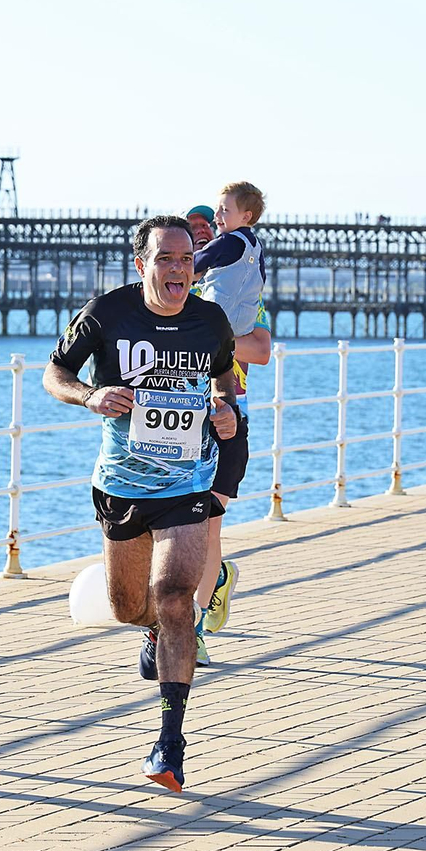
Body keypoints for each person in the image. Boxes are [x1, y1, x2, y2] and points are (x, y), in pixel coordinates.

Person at [43, 214, 239, 792]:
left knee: (175, 597)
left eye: (185, 259)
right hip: (123, 485)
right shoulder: (107, 313)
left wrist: (227, 411)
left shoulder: (209, 320)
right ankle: (150, 632)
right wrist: (90, 394)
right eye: (165, 259)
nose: (178, 268)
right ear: (142, 264)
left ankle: (170, 743)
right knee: (131, 606)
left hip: (188, 482)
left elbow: (226, 381)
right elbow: (54, 374)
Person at [185, 206, 273, 667]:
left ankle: (194, 629)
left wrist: (205, 337)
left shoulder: (239, 289)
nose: (202, 234)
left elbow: (260, 351)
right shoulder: (177, 295)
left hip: (226, 413)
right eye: (194, 229)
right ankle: (212, 581)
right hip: (175, 418)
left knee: (206, 526)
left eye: (208, 228)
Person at [191, 182, 267, 338]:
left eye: (224, 210)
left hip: (217, 316)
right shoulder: (257, 246)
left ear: (246, 216)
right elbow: (261, 278)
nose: (216, 215)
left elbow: (194, 263)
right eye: (217, 209)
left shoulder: (226, 241)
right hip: (245, 324)